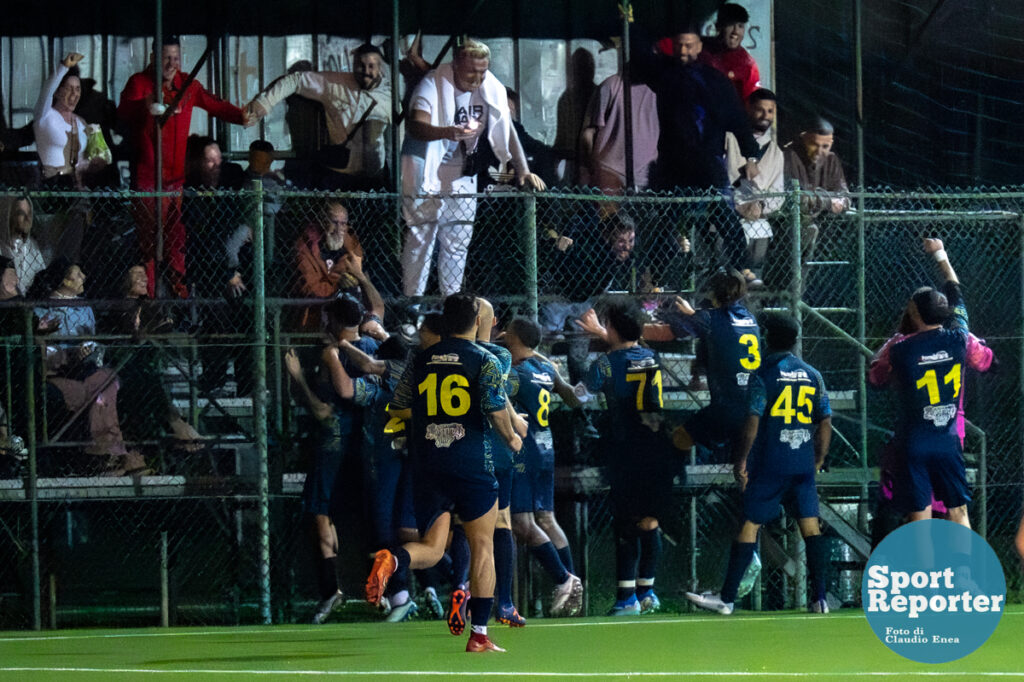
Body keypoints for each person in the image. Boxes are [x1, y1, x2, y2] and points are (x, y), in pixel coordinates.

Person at [365, 293, 522, 653]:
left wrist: (433, 425)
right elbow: (497, 410)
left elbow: (398, 406)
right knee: (483, 546)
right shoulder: (486, 359)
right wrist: (511, 437)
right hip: (471, 464)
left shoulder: (420, 360)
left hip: (429, 464)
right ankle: (479, 635)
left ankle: (394, 558)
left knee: (433, 548)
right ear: (475, 322)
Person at [686, 312, 832, 615]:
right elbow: (825, 419)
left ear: (767, 338)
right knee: (810, 526)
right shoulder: (813, 374)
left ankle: (727, 599)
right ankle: (820, 599)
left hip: (772, 462)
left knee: (750, 523)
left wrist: (741, 459)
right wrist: (818, 457)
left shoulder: (763, 375)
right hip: (802, 461)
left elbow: (753, 420)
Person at [400, 38, 545, 298]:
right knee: (421, 239)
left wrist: (522, 169)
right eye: (471, 72)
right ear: (455, 65)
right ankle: (413, 309)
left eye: (483, 71)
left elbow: (506, 125)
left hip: (462, 169)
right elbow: (415, 125)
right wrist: (446, 132)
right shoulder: (432, 83)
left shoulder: (491, 86)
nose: (478, 79)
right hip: (425, 165)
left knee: (458, 241)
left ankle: (453, 306)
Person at [629, 16, 761, 278]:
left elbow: (735, 117)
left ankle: (741, 266)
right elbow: (642, 59)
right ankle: (654, 276)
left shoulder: (715, 81)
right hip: (674, 161)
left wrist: (751, 154)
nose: (684, 51)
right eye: (679, 46)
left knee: (724, 215)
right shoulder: (665, 73)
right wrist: (633, 25)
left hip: (708, 159)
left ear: (699, 46)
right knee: (667, 220)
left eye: (689, 46)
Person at [118, 35, 247, 297]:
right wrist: (149, 106)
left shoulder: (188, 85)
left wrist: (243, 115)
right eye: (166, 57)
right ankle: (153, 303)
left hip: (176, 181)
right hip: (148, 180)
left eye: (176, 58)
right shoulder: (139, 83)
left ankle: (180, 299)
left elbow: (216, 105)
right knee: (152, 243)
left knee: (177, 241)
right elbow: (123, 116)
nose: (172, 63)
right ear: (154, 57)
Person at [868, 238, 984, 528]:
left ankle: (925, 572)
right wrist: (941, 256)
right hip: (947, 439)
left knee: (919, 518)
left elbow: (876, 377)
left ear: (914, 313)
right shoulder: (958, 339)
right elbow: (956, 292)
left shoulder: (899, 348)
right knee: (958, 512)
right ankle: (966, 572)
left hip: (914, 440)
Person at [577, 299, 674, 616]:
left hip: (625, 447)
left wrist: (556, 379)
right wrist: (607, 333)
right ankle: (647, 593)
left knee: (626, 523)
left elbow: (583, 392)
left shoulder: (605, 364)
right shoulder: (652, 357)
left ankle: (625, 598)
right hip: (657, 444)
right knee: (650, 521)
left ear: (614, 329)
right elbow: (630, 353)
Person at [299, 295, 380, 624]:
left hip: (336, 440)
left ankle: (332, 590)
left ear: (332, 320)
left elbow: (327, 406)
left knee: (322, 513)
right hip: (371, 442)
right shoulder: (375, 347)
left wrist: (297, 377)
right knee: (371, 519)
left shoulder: (331, 353)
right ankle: (382, 591)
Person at [29, 258, 148, 476]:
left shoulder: (85, 308)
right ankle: (110, 456)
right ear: (64, 280)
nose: (84, 277)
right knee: (102, 387)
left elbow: (93, 340)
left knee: (105, 381)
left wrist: (90, 349)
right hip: (60, 374)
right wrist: (70, 354)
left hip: (87, 370)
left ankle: (107, 457)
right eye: (78, 273)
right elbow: (43, 355)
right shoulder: (40, 312)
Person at [505, 316, 585, 616]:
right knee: (547, 519)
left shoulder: (515, 374)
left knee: (522, 524)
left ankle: (564, 581)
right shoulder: (545, 369)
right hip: (546, 447)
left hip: (524, 452)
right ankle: (571, 584)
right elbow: (573, 399)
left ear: (515, 337)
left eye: (507, 333)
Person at [639, 270, 761, 463]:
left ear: (713, 294)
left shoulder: (709, 319)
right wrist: (694, 315)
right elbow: (721, 329)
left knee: (679, 439)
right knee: (741, 458)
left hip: (727, 407)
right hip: (754, 405)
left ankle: (670, 482)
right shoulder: (749, 318)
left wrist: (629, 331)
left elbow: (668, 333)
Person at [246, 43, 392, 191]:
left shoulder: (390, 96)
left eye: (371, 66)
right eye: (360, 65)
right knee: (336, 213)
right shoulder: (335, 84)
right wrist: (265, 102)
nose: (366, 71)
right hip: (339, 173)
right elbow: (296, 80)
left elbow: (397, 137)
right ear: (353, 65)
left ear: (380, 67)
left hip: (373, 178)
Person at [724, 89, 783, 286]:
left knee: (754, 280)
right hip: (726, 219)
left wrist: (762, 207)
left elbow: (778, 192)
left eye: (770, 111)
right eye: (760, 110)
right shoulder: (729, 139)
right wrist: (737, 205)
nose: (765, 116)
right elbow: (720, 177)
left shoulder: (775, 152)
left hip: (758, 223)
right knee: (725, 275)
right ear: (748, 109)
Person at [579, 63, 659, 193]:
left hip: (644, 176)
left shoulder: (657, 89)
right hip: (609, 175)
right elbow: (589, 132)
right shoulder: (611, 86)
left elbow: (588, 133)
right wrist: (588, 169)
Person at [293, 199, 369, 331]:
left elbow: (358, 277)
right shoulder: (305, 245)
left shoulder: (351, 244)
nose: (339, 229)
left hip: (346, 310)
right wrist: (339, 281)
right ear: (322, 221)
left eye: (343, 223)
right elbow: (310, 287)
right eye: (334, 222)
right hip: (316, 312)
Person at [782, 117, 850, 263]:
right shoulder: (788, 155)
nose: (819, 151)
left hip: (823, 225)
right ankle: (797, 285)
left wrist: (840, 201)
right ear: (803, 138)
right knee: (809, 230)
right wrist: (828, 202)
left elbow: (845, 197)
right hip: (787, 225)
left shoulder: (832, 159)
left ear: (831, 143)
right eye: (814, 145)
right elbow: (796, 199)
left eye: (825, 146)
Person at [698, 3, 762, 102]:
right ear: (718, 26)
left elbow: (753, 105)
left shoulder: (748, 65)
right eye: (730, 25)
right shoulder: (699, 48)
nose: (735, 32)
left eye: (740, 26)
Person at [0, 195, 46, 296]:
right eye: (21, 213)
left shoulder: (32, 245)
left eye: (29, 213)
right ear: (10, 216)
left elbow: (41, 273)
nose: (27, 218)